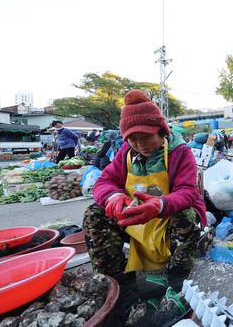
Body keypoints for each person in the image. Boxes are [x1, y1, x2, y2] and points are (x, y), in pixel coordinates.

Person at [83, 90, 207, 312]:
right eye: (133, 139)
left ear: (162, 131)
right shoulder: (126, 154)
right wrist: (113, 197)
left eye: (146, 137)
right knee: (94, 214)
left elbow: (188, 192)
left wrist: (160, 204)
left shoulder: (181, 153)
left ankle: (176, 280)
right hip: (136, 223)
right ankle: (121, 286)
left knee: (187, 216)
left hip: (165, 221)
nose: (140, 145)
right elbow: (103, 182)